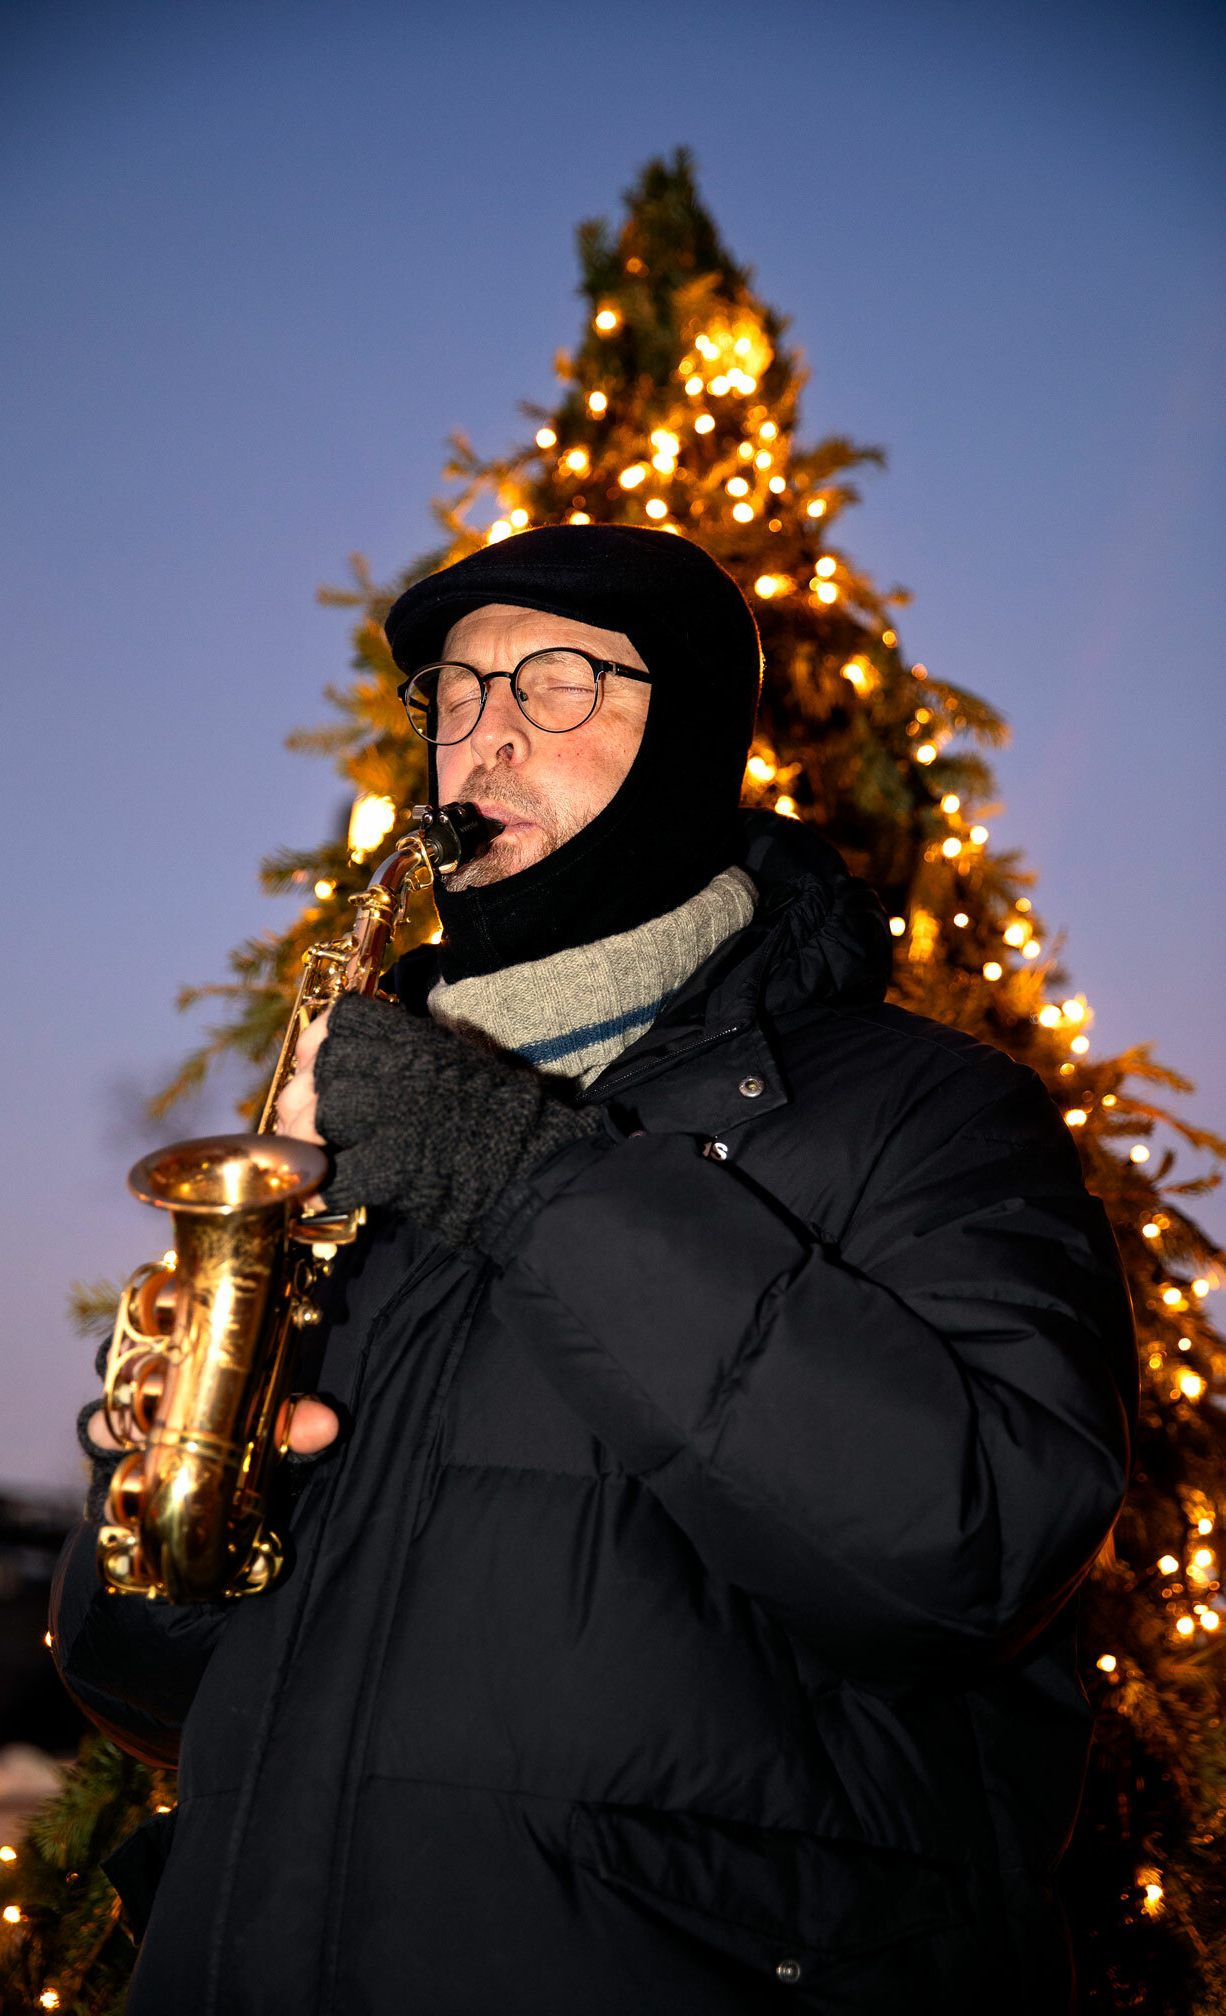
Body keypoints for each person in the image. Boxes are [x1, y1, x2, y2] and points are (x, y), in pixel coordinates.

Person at [55, 524, 1136, 2016]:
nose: (482, 735)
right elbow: (155, 1695)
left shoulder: (929, 1111)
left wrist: (515, 1175)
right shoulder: (348, 1147)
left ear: (687, 736)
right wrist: (173, 1480)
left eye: (556, 683)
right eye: (455, 690)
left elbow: (977, 1548)